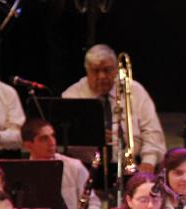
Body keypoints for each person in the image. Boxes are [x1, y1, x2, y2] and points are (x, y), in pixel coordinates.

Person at [62, 44, 166, 172]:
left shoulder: (134, 90)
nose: (102, 76)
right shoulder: (72, 95)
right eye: (95, 71)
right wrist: (90, 138)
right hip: (86, 168)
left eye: (107, 70)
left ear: (116, 69)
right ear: (87, 70)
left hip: (132, 166)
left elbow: (152, 132)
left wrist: (148, 162)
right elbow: (64, 143)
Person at [21, 117, 103, 209]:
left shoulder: (74, 166)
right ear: (28, 145)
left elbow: (94, 205)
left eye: (53, 136)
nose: (52, 142)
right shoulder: (22, 173)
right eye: (44, 139)